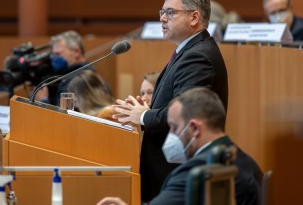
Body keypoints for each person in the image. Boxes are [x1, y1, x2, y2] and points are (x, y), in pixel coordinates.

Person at [112, 0, 228, 202]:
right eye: (162, 12)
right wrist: (147, 110)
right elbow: (177, 104)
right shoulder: (190, 50)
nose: (163, 19)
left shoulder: (198, 57)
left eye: (170, 13)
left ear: (194, 17)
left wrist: (144, 116)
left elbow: (187, 115)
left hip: (174, 169)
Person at [97, 88, 262, 205]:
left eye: (174, 127)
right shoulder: (246, 162)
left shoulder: (197, 172)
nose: (171, 135)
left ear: (195, 128)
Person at [35, 30, 93, 106]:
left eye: (58, 54)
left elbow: (66, 115)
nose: (54, 58)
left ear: (76, 51)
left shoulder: (79, 80)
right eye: (53, 54)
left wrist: (43, 101)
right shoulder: (68, 75)